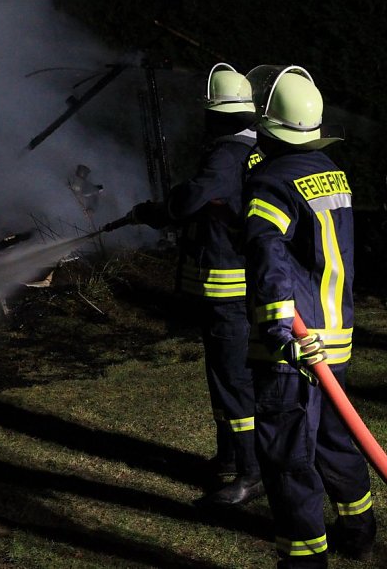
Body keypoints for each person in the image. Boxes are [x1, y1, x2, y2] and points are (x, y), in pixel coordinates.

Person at [241, 65, 378, 567]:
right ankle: (360, 531)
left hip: (296, 348)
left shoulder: (271, 183)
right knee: (334, 440)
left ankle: (303, 558)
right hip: (334, 335)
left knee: (287, 456)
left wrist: (279, 330)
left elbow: (268, 254)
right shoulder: (329, 170)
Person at [129, 63, 264, 507]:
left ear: (220, 115)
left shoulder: (226, 154)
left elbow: (191, 199)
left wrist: (156, 209)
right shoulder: (257, 147)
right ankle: (228, 460)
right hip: (241, 281)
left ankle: (249, 473)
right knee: (225, 378)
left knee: (232, 380)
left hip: (227, 288)